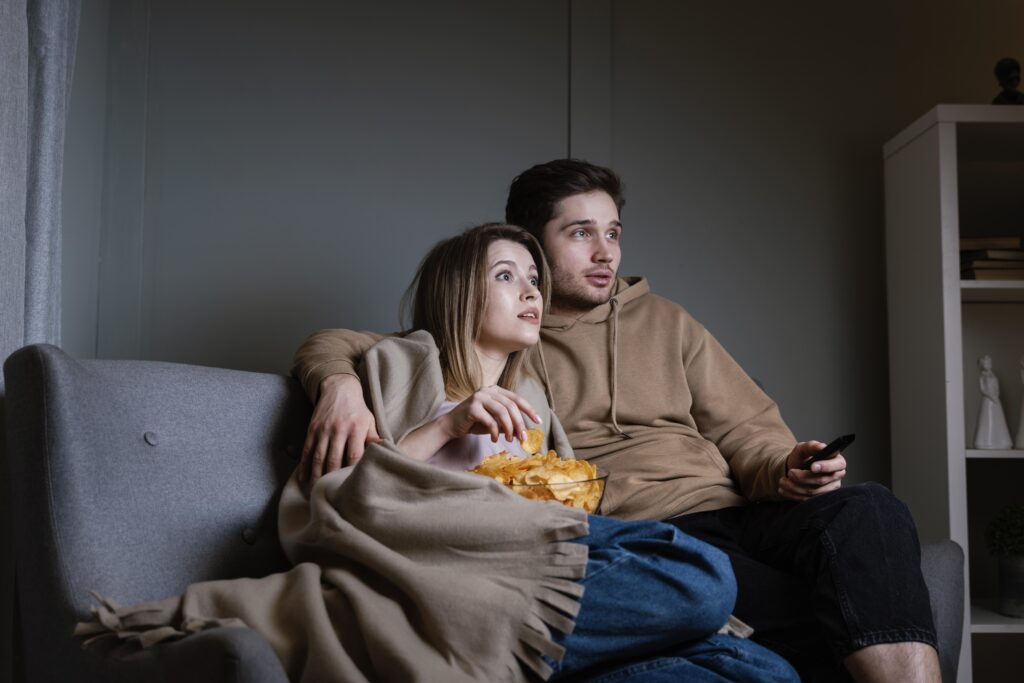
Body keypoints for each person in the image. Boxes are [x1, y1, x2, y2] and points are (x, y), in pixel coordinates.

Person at [292, 160, 940, 682]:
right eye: (580, 233)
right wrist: (340, 386)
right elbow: (343, 344)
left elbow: (750, 433)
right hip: (648, 534)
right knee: (804, 618)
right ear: (531, 243)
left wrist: (790, 466)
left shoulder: (670, 322)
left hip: (740, 507)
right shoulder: (500, 328)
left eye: (613, 232)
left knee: (872, 510)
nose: (605, 251)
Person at [360, 222, 798, 682]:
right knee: (706, 582)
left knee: (769, 671)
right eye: (506, 277)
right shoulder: (411, 372)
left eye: (534, 279)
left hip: (556, 566)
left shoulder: (534, 406)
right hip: (479, 575)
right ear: (459, 293)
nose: (531, 293)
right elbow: (359, 491)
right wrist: (449, 424)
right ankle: (499, 648)